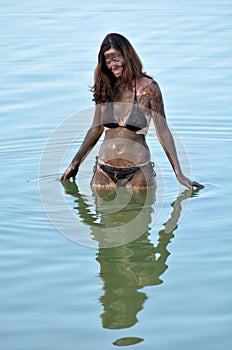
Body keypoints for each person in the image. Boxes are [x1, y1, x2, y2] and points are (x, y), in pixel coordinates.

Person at [61, 33, 204, 190]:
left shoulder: (149, 89)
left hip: (139, 172)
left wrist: (179, 174)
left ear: (127, 56)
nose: (112, 65)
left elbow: (162, 131)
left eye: (116, 59)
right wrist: (75, 164)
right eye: (107, 61)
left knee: (140, 212)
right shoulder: (106, 87)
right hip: (104, 171)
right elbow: (96, 129)